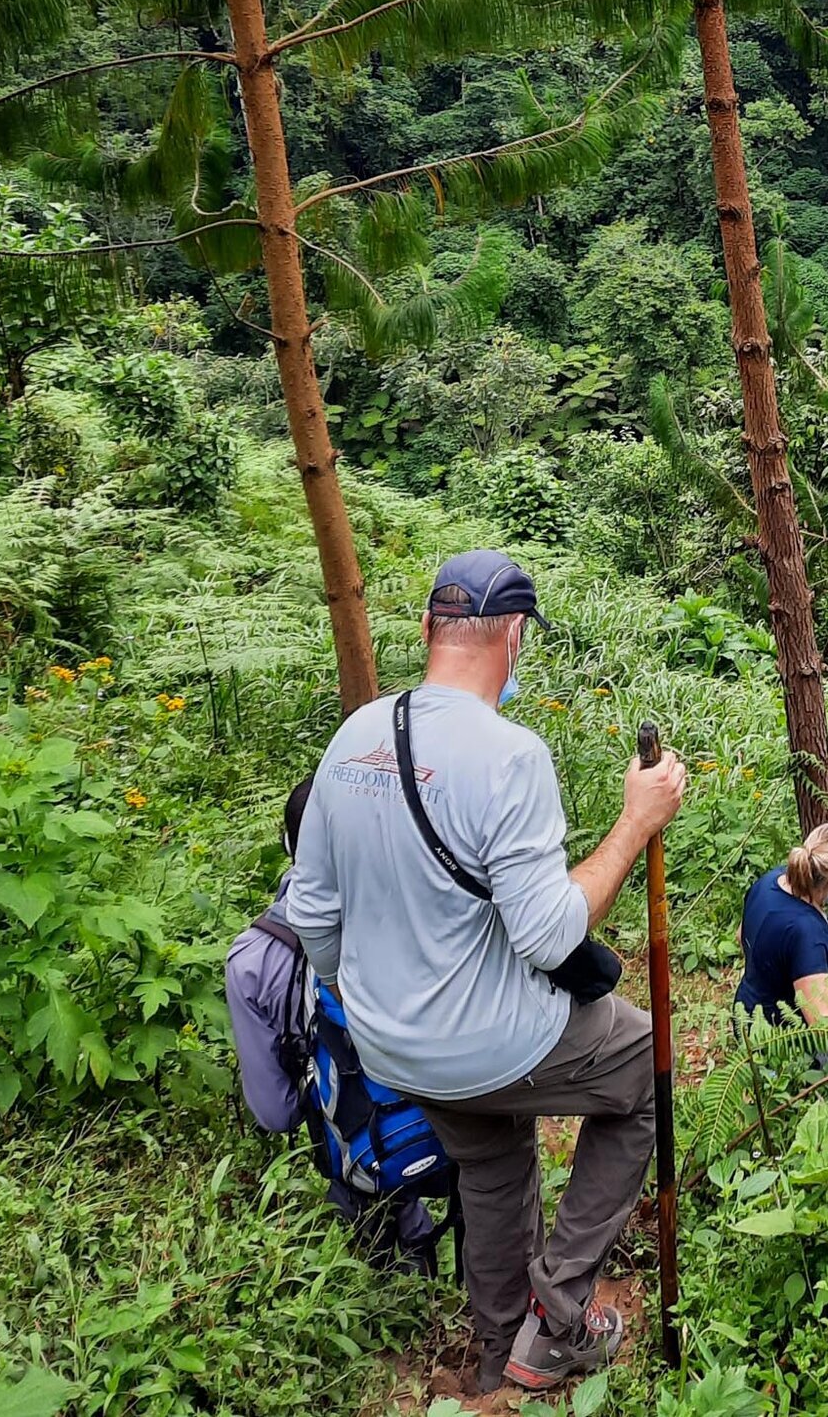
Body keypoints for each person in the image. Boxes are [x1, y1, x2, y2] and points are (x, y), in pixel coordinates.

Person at [287, 549, 687, 1395]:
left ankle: (498, 1342)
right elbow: (545, 934)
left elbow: (314, 919)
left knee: (496, 1164)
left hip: (392, 1047)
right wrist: (635, 822)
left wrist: (377, 998)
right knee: (645, 1070)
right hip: (495, 1044)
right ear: (513, 637)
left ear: (429, 629)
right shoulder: (510, 756)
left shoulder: (353, 736)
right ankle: (557, 1316)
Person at [225, 778, 438, 1271]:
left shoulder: (251, 961)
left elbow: (276, 1114)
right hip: (453, 1126)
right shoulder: (414, 913)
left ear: (287, 847)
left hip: (354, 1156)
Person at [736, 821, 828, 1026]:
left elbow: (741, 934)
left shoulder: (771, 880)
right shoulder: (805, 931)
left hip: (747, 1009)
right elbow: (821, 1021)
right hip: (777, 1035)